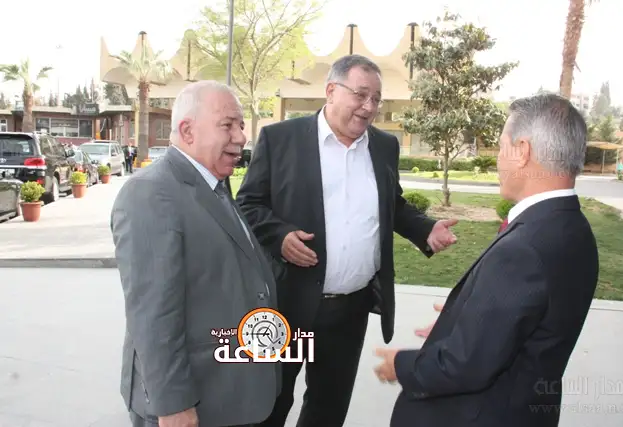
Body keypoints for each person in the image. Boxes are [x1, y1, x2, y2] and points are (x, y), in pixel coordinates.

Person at [235, 54, 458, 427]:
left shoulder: (384, 146)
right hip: (287, 303)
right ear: (331, 91)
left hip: (349, 310)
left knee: (328, 408)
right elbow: (248, 203)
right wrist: (280, 236)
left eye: (376, 99)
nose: (369, 106)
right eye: (360, 94)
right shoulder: (280, 139)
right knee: (268, 403)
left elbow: (392, 204)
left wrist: (425, 229)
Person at [374, 93, 599, 427]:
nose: (498, 160)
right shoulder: (574, 228)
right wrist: (464, 316)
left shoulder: (524, 248)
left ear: (522, 151)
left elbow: (466, 365)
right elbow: (527, 317)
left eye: (501, 146)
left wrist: (401, 365)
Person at [111, 80, 280, 427]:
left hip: (230, 395)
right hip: (192, 406)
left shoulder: (214, 185)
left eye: (241, 125)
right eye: (227, 125)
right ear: (188, 131)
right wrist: (173, 405)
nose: (241, 137)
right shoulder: (151, 194)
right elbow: (153, 315)